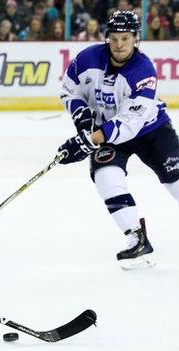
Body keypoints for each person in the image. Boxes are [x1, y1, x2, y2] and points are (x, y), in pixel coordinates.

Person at [56, 11, 179, 269]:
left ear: (136, 39)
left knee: (175, 182)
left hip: (151, 131)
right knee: (105, 177)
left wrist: (91, 139)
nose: (119, 44)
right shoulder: (87, 58)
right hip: (108, 135)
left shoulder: (143, 70)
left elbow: (129, 123)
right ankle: (136, 237)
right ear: (107, 38)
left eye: (125, 38)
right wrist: (83, 120)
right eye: (114, 38)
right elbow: (70, 90)